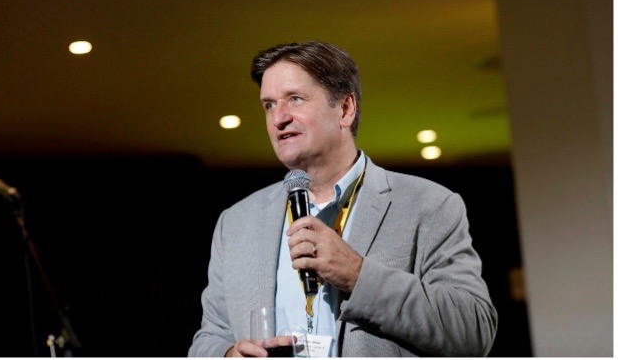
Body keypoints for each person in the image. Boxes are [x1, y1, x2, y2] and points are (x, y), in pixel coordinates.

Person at [188, 41, 498, 357]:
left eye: (294, 99)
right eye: (268, 105)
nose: (278, 118)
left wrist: (359, 275)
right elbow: (209, 337)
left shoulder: (428, 205)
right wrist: (228, 355)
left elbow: (474, 332)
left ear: (345, 109)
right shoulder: (237, 222)